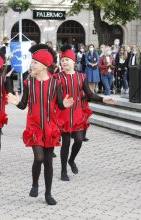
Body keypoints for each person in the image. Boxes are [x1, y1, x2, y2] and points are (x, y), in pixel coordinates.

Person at [7, 44, 74, 205]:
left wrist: (64, 104)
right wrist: (17, 102)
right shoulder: (29, 82)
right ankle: (35, 183)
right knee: (39, 157)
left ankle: (48, 194)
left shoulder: (55, 83)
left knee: (49, 162)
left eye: (35, 63)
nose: (32, 65)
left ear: (44, 66)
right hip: (34, 126)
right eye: (32, 62)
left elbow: (59, 104)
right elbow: (24, 105)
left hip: (50, 127)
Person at [55, 45, 117, 182]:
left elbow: (89, 94)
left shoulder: (81, 77)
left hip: (77, 114)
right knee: (65, 142)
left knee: (78, 140)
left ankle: (71, 160)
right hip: (63, 114)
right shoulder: (57, 77)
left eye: (67, 60)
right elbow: (56, 97)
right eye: (62, 60)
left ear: (73, 61)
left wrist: (104, 99)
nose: (64, 62)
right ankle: (63, 170)